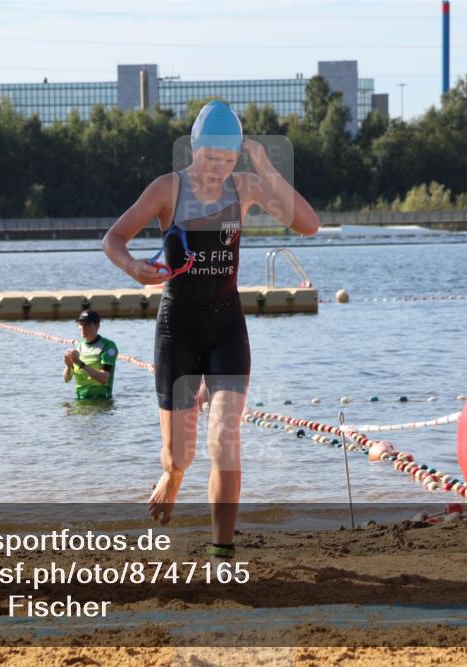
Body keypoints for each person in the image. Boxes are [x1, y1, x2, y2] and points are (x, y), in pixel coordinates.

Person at [102, 100, 320, 560]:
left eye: (228, 159)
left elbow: (308, 224)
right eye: (211, 158)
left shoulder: (245, 187)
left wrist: (266, 168)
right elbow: (113, 238)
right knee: (179, 455)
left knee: (224, 437)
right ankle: (174, 476)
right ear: (194, 149)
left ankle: (223, 550)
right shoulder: (167, 189)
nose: (219, 168)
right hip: (177, 330)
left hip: (226, 328)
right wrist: (133, 268)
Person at [63, 309, 118, 400]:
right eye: (81, 324)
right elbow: (66, 379)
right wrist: (68, 367)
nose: (83, 327)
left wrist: (80, 364)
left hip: (101, 402)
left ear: (97, 326)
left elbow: (104, 379)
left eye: (87, 324)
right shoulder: (77, 346)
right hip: (80, 402)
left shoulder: (108, 346)